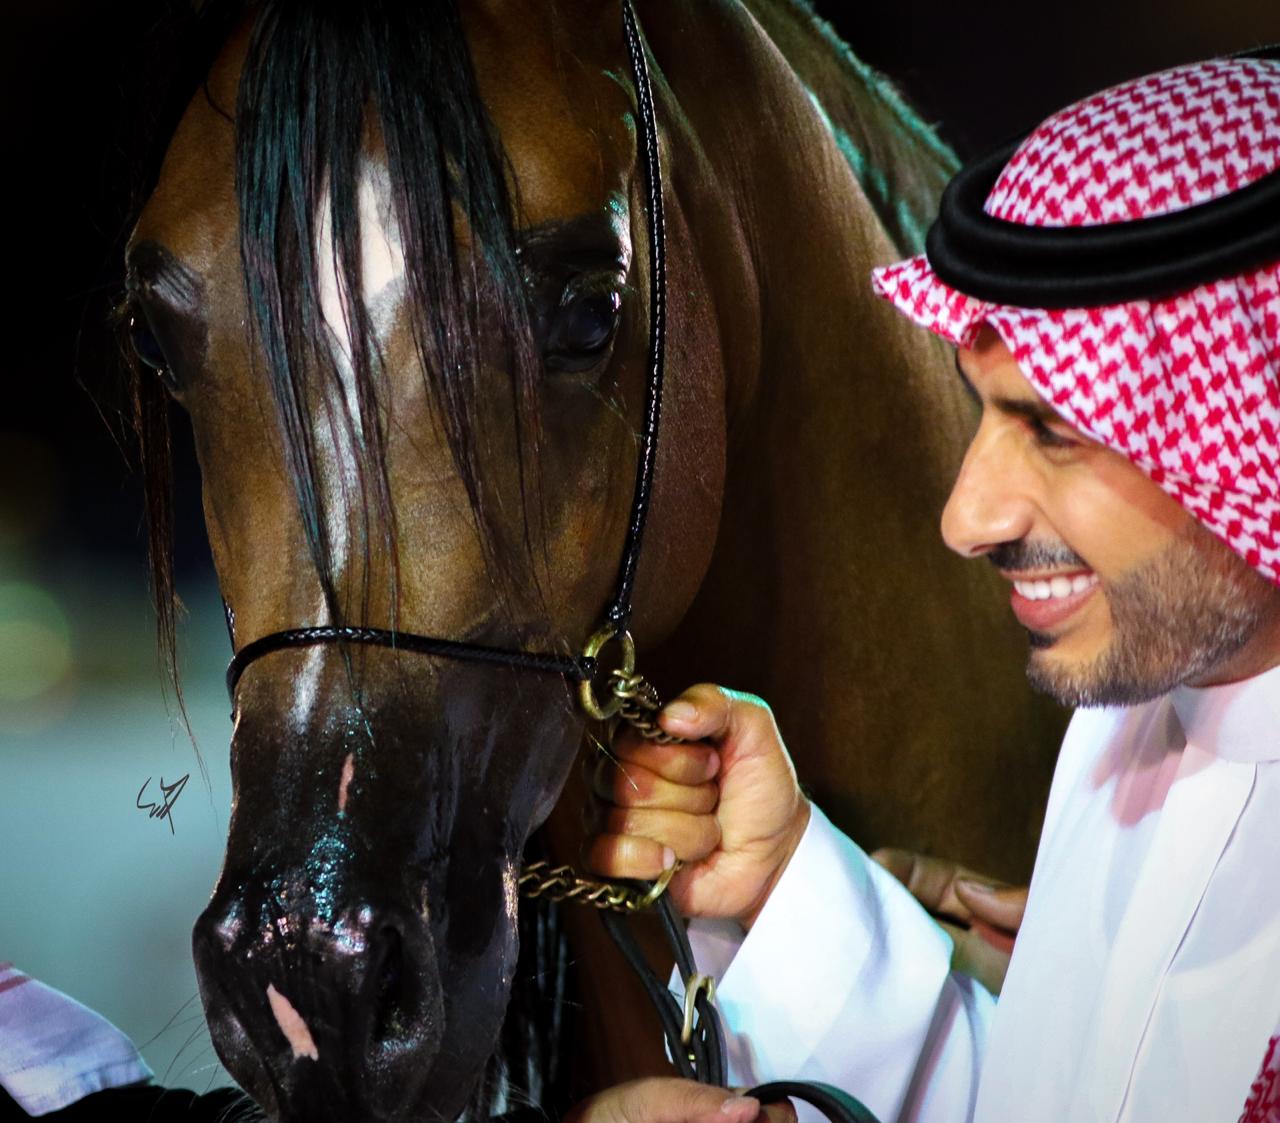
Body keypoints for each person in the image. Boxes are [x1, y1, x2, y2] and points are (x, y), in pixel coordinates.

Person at [575, 53, 1280, 1123]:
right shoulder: (1135, 715)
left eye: (1055, 429)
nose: (965, 519)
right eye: (985, 410)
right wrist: (786, 886)